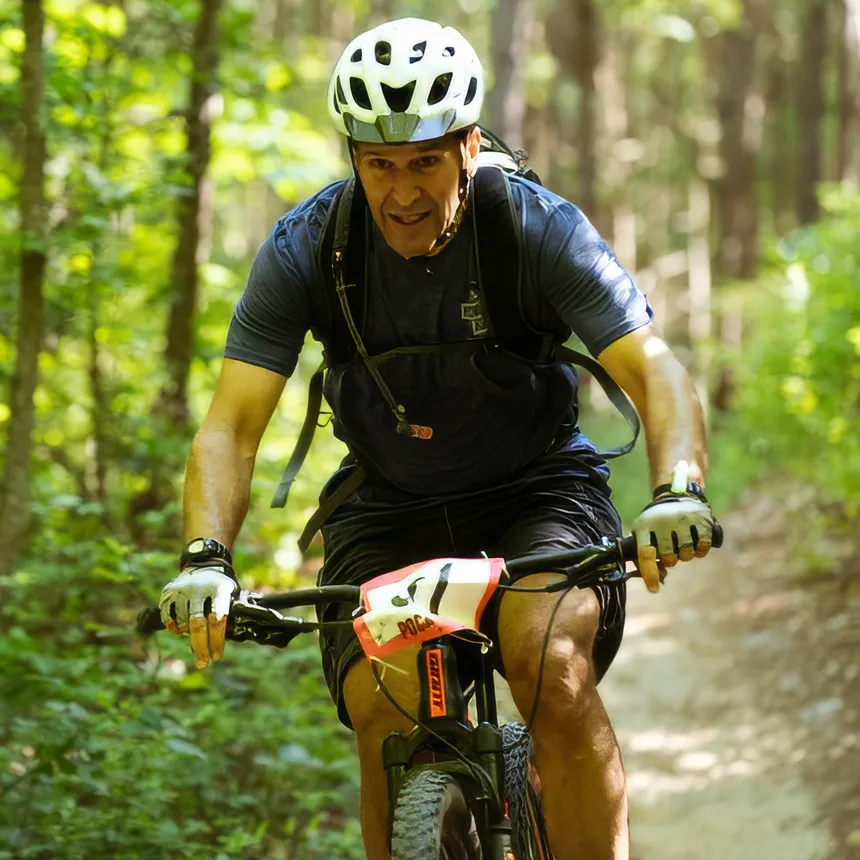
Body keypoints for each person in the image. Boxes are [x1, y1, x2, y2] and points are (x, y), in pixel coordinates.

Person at [159, 17, 716, 860]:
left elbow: (656, 370)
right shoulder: (308, 245)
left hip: (538, 492)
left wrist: (677, 488)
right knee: (384, 707)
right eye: (379, 164)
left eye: (423, 160)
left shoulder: (536, 227)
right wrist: (206, 555)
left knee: (546, 664)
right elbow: (232, 425)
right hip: (390, 503)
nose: (402, 191)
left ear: (466, 145)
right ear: (352, 158)